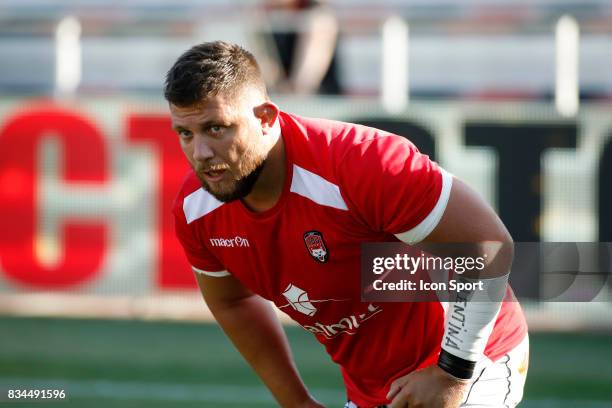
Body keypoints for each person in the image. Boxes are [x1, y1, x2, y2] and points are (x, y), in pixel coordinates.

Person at [165, 41, 528, 408]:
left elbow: (488, 246)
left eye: (216, 129)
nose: (201, 154)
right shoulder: (197, 209)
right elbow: (233, 302)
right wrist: (297, 402)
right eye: (185, 133)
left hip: (473, 357)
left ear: (265, 118)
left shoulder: (360, 164)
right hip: (373, 389)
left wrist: (451, 373)